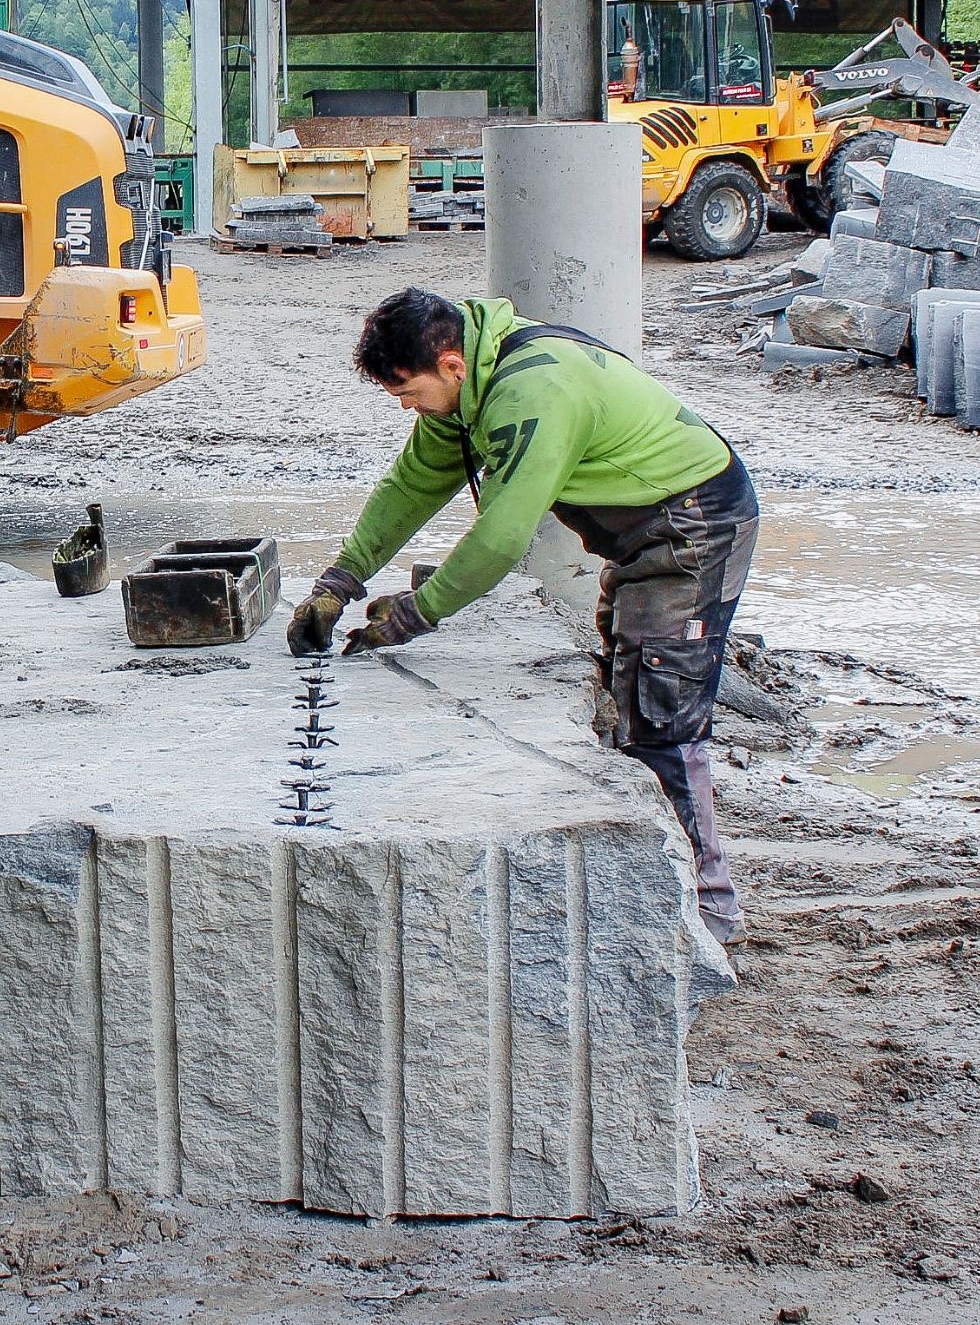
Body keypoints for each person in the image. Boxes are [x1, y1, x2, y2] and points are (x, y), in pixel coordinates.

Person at [287, 286, 757, 947]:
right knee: (633, 689)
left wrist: (413, 616)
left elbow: (502, 537)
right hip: (652, 527)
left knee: (661, 715)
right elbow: (412, 486)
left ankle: (709, 915)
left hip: (694, 525)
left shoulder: (529, 391)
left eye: (408, 390)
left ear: (449, 364)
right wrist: (339, 580)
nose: (405, 405)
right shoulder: (474, 378)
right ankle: (659, 886)